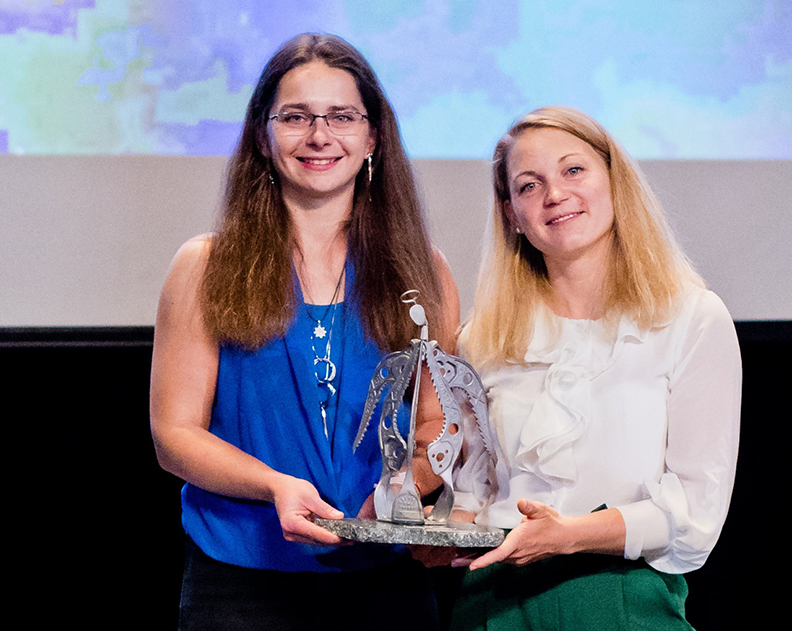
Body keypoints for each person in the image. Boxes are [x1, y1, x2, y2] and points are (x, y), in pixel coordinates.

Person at [149, 33, 459, 631]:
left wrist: (405, 486)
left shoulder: (423, 268)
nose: (320, 136)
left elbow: (436, 424)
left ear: (372, 137)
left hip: (386, 582)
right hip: (239, 584)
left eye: (342, 116)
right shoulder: (205, 266)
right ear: (263, 138)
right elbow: (174, 434)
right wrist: (274, 486)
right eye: (295, 117)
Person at [447, 106, 741, 630]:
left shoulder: (692, 319)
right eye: (528, 185)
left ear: (615, 181)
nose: (555, 194)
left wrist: (571, 534)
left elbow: (695, 515)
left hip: (624, 602)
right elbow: (475, 490)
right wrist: (448, 530)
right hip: (492, 605)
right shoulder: (482, 339)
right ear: (511, 212)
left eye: (573, 170)